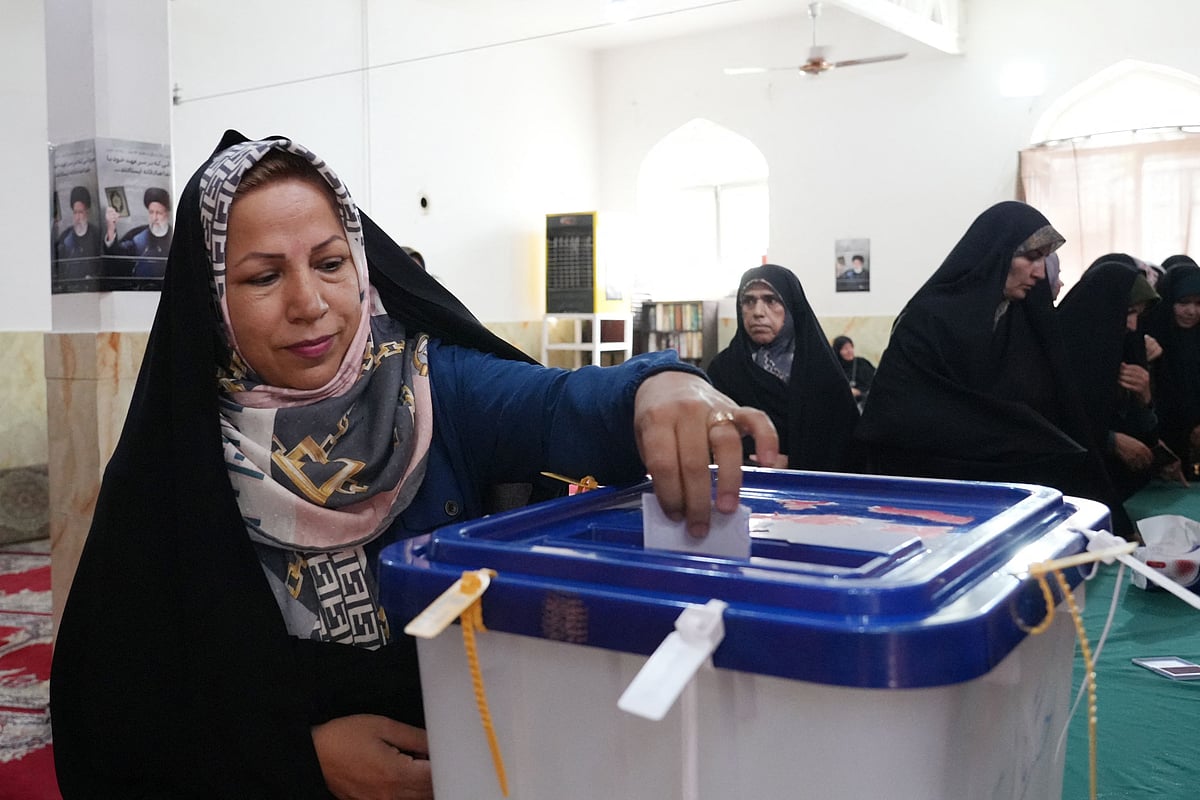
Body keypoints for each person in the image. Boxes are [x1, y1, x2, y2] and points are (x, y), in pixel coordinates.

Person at [49, 132, 780, 799]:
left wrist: (661, 387)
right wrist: (299, 761)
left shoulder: (432, 390)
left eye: (331, 264)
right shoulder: (180, 459)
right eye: (262, 278)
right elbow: (120, 713)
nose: (311, 303)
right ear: (212, 301)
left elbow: (563, 403)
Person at [856, 201, 1128, 532]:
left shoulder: (1026, 322)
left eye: (1043, 259)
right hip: (937, 498)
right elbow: (899, 416)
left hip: (1017, 498)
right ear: (996, 253)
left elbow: (1057, 408)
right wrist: (1013, 434)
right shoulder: (930, 319)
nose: (1040, 272)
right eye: (1030, 256)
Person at [706, 264, 860, 471]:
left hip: (813, 491)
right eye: (748, 301)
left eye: (771, 300)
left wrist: (794, 464)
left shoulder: (822, 372)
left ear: (791, 307)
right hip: (741, 486)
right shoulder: (723, 370)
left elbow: (845, 446)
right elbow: (708, 437)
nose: (758, 312)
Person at [1057, 259, 1179, 498]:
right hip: (1078, 491)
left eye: (1138, 315)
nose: (1133, 325)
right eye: (1128, 312)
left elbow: (1142, 431)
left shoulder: (1127, 346)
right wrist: (1109, 440)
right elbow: (1055, 421)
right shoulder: (1062, 350)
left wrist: (1144, 400)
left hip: (1125, 486)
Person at [1146, 255, 1200, 477]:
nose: (1192, 311)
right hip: (1161, 442)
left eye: (1199, 303)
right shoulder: (1152, 339)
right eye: (1183, 302)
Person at [104, 186, 174, 282]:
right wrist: (111, 228)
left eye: (159, 213)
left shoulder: (176, 236)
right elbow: (117, 256)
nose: (154, 217)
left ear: (167, 214)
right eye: (151, 212)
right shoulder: (137, 236)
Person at [54, 185, 102, 286]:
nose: (77, 217)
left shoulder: (97, 235)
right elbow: (60, 269)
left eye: (81, 212)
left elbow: (102, 267)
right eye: (75, 212)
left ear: (87, 213)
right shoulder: (65, 237)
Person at [830, 335, 875, 412]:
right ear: (838, 351)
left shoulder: (862, 363)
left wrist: (859, 392)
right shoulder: (836, 368)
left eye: (850, 347)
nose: (849, 351)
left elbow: (875, 381)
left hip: (868, 404)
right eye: (845, 348)